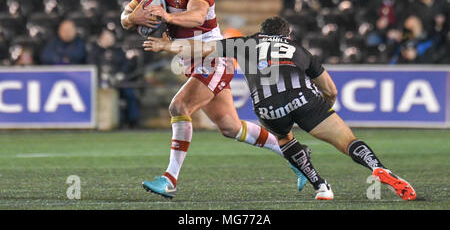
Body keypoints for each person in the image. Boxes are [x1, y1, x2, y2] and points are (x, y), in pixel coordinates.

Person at [144, 16, 417, 201]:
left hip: (267, 108)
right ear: (286, 34)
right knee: (348, 142)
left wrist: (166, 45)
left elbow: (201, 49)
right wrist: (324, 110)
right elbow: (330, 89)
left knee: (286, 139)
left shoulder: (244, 43)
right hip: (305, 100)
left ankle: (321, 187)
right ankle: (377, 168)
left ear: (262, 32)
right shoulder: (297, 48)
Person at [120, 0, 308, 199]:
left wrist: (165, 15)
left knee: (179, 106)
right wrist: (132, 18)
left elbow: (197, 15)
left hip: (213, 58)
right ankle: (296, 153)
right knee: (230, 127)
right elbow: (125, 15)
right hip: (190, 60)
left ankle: (170, 178)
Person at [87, 29, 141, 128]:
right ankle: (118, 120)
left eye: (111, 37)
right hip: (99, 83)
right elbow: (92, 66)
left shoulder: (119, 51)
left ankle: (134, 120)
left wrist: (120, 74)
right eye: (107, 37)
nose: (110, 39)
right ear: (101, 38)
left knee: (129, 92)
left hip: (118, 82)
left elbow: (126, 64)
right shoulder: (94, 51)